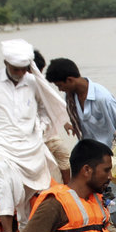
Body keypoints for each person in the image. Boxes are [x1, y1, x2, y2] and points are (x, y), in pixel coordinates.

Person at [0, 39, 70, 232]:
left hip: (29, 145)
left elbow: (44, 109)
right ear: (6, 63)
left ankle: (25, 229)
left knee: (29, 192)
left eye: (24, 69)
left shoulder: (33, 82)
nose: (21, 73)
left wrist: (40, 126)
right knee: (4, 186)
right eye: (16, 68)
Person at [45, 58, 116, 232]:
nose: (60, 90)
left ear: (69, 80)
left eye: (60, 85)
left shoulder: (102, 98)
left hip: (110, 160)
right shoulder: (74, 98)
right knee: (95, 199)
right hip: (89, 158)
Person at [33, 50, 73, 184]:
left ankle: (68, 189)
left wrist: (66, 122)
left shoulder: (41, 85)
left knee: (63, 153)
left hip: (47, 132)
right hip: (31, 136)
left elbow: (53, 105)